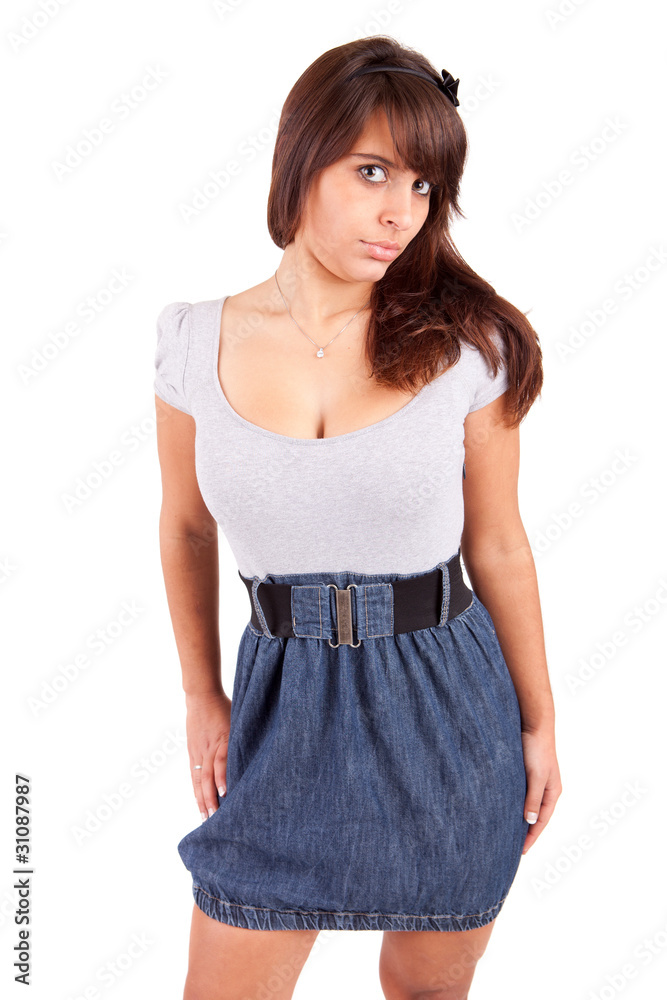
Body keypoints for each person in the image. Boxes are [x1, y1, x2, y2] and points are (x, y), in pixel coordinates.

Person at [154, 34, 561, 1000]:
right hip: (280, 705)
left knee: (424, 991)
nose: (399, 213)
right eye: (371, 172)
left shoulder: (470, 346)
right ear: (300, 158)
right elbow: (186, 527)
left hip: (448, 709)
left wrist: (540, 724)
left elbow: (499, 543)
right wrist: (202, 694)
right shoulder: (191, 338)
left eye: (423, 187)